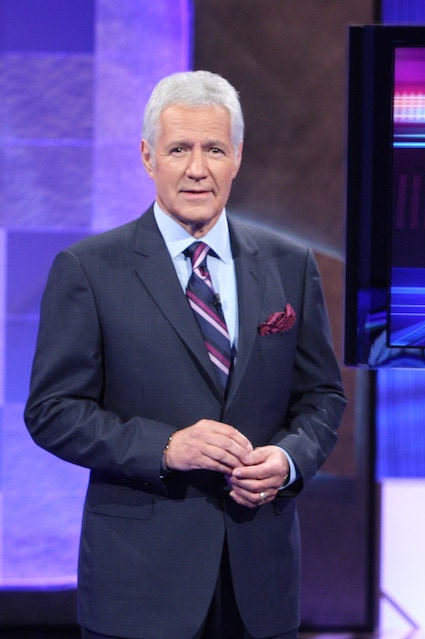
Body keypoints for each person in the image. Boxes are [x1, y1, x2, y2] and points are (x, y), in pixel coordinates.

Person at [23, 70, 347, 639]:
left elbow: (321, 396)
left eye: (214, 149)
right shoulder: (89, 270)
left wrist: (289, 460)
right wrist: (167, 447)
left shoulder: (289, 264)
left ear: (237, 158)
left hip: (260, 587)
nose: (197, 168)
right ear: (149, 157)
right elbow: (52, 411)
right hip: (140, 588)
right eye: (179, 149)